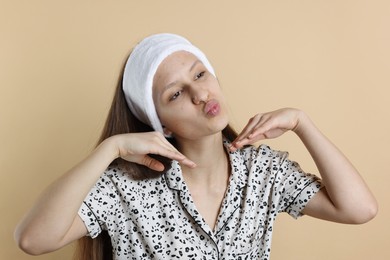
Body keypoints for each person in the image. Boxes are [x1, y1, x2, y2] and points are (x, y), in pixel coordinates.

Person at [14, 33, 377, 260]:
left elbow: (359, 209)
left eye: (200, 73)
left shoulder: (264, 171)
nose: (201, 94)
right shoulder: (126, 187)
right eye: (176, 94)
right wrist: (110, 149)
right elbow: (32, 240)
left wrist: (302, 123)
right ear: (159, 123)